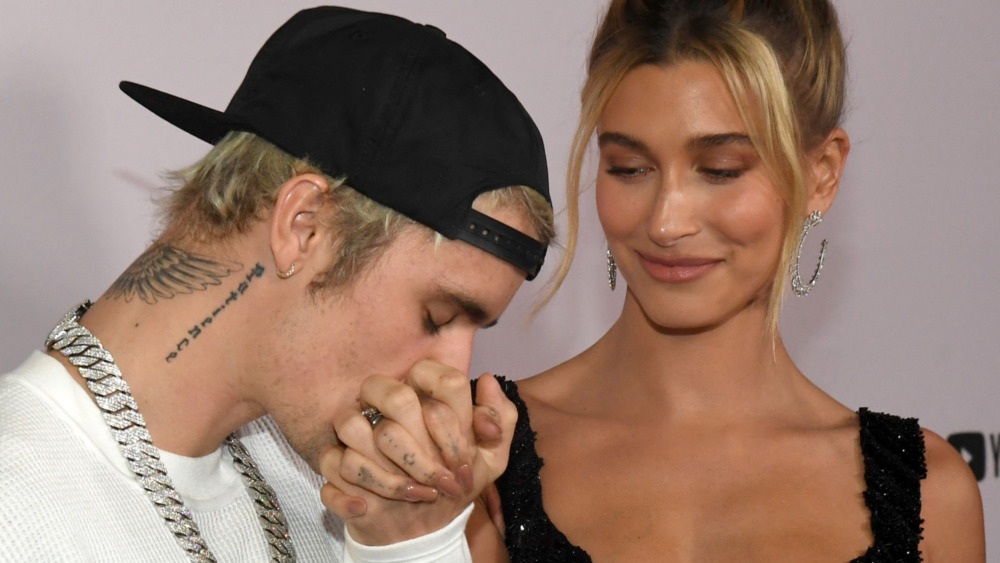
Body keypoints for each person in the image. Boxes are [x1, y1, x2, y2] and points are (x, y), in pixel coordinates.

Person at [320, 1, 986, 561]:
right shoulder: (473, 454)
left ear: (822, 172)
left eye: (720, 168)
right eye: (630, 168)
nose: (666, 221)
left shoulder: (929, 495)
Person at [0, 6, 558, 562]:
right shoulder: (16, 505)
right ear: (303, 225)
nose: (453, 372)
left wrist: (412, 545)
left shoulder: (342, 489)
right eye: (437, 316)